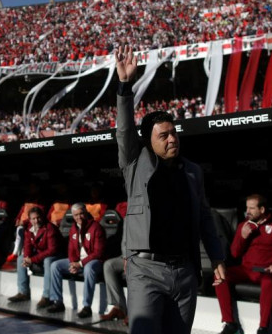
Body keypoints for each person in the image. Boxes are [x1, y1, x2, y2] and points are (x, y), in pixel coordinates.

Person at [115, 45, 226, 334]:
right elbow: (125, 130)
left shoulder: (192, 171)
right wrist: (125, 86)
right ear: (149, 142)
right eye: (163, 135)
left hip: (185, 271)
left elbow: (204, 218)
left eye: (173, 133)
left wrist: (216, 257)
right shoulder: (134, 165)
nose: (171, 139)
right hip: (145, 271)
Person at [214, 194, 272, 334]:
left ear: (262, 209)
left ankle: (264, 328)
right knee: (220, 276)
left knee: (268, 282)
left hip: (267, 271)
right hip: (247, 269)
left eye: (252, 208)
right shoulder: (243, 225)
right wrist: (242, 237)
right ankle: (230, 324)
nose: (248, 211)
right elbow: (234, 254)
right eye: (247, 208)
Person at [46, 203, 106, 318]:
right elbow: (71, 250)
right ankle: (57, 302)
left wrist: (79, 264)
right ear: (73, 216)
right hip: (79, 261)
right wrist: (73, 264)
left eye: (81, 214)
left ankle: (86, 307)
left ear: (86, 213)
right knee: (55, 265)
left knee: (89, 268)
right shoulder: (73, 228)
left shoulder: (96, 227)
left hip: (96, 261)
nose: (79, 217)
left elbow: (98, 253)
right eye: (76, 215)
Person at [7, 206, 65, 308]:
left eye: (38, 217)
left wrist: (33, 259)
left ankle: (46, 297)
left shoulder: (50, 228)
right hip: (41, 256)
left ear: (42, 217)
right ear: (30, 220)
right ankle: (23, 292)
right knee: (21, 258)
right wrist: (27, 258)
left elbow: (52, 250)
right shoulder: (29, 229)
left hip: (56, 256)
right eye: (33, 218)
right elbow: (27, 245)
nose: (36, 220)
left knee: (48, 261)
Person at [100, 255, 128, 325]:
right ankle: (119, 308)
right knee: (108, 265)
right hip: (127, 254)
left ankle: (136, 311)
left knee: (133, 267)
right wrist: (126, 257)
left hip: (141, 256)